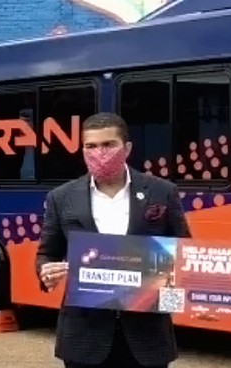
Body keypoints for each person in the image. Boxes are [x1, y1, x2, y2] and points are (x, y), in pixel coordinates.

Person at [35, 112, 191, 368]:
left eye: (108, 144)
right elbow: (46, 254)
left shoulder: (162, 192)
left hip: (147, 338)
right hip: (84, 338)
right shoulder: (61, 198)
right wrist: (45, 271)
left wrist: (177, 297)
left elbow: (184, 254)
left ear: (127, 148)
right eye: (91, 146)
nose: (100, 153)